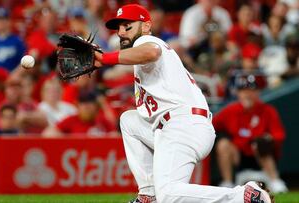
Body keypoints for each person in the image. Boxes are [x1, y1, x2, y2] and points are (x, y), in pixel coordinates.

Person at [93, 4, 272, 203]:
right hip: (173, 126)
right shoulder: (138, 54)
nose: (121, 32)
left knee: (169, 195)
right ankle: (148, 195)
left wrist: (104, 58)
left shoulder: (146, 41)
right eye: (118, 28)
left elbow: (151, 52)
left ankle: (244, 197)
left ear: (145, 26)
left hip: (184, 124)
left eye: (128, 26)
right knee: (129, 121)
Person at [213, 73, 288, 194]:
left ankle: (275, 181)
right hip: (238, 155)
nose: (248, 94)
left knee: (260, 143)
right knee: (223, 144)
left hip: (261, 155)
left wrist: (268, 139)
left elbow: (279, 135)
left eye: (252, 90)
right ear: (238, 93)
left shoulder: (268, 110)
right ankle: (227, 182)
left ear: (258, 92)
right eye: (243, 90)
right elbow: (211, 125)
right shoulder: (230, 110)